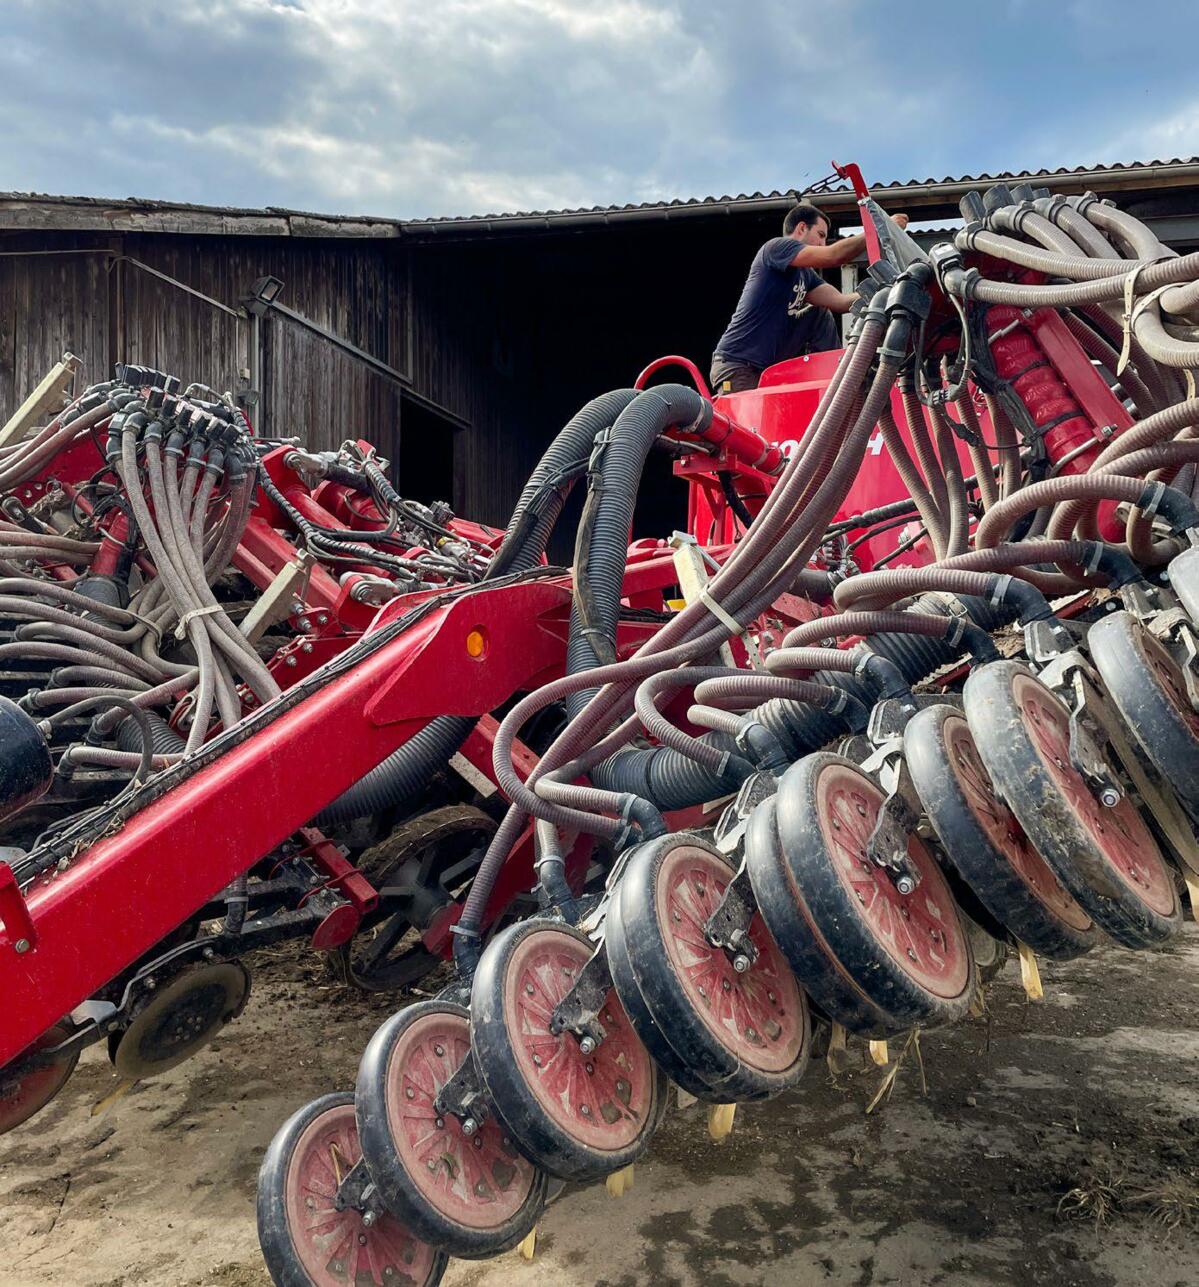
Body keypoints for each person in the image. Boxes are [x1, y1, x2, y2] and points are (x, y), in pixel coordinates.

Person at [710, 202, 909, 393]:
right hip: (737, 365)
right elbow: (833, 255)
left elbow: (840, 302)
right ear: (801, 228)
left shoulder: (806, 275)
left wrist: (888, 290)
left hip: (766, 369)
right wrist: (880, 229)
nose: (823, 243)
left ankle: (836, 377)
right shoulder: (777, 248)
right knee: (750, 427)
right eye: (820, 235)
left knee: (820, 314)